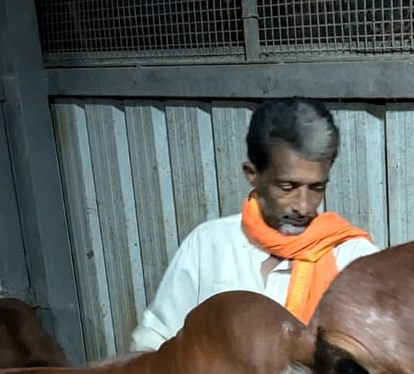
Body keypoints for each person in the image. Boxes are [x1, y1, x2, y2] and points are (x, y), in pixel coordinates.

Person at [130, 97, 379, 352]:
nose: (303, 206)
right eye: (287, 187)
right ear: (252, 174)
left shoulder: (351, 257)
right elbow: (155, 339)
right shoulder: (209, 245)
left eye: (316, 188)